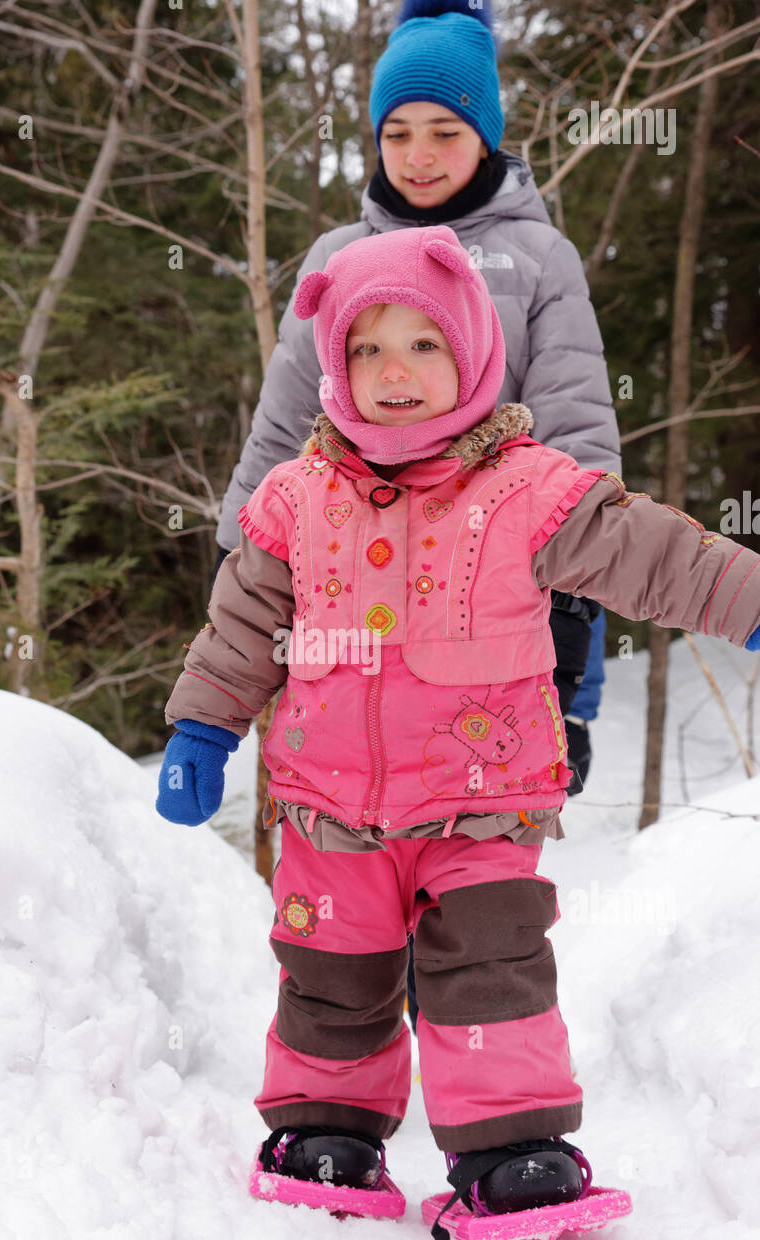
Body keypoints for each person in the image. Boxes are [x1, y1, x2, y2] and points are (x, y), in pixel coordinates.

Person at [156, 224, 760, 1228]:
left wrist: (750, 602)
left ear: (474, 351)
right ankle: (327, 1127)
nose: (395, 372)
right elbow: (243, 628)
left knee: (491, 964)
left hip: (482, 805)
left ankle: (512, 1144)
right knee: (331, 971)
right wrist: (203, 731)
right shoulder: (294, 500)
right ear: (336, 367)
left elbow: (656, 555)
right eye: (368, 348)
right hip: (326, 804)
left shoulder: (527, 490)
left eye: (423, 345)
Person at [212, 0, 617, 793]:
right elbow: (286, 419)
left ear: (485, 136)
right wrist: (239, 557)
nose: (418, 155)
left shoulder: (538, 257)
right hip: (353, 569)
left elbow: (575, 433)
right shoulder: (340, 255)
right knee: (355, 795)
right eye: (397, 133)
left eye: (444, 132)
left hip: (489, 575)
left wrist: (572, 636)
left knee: (478, 824)